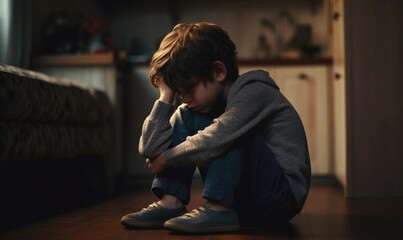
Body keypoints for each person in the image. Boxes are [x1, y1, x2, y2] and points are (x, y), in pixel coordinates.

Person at [120, 22, 311, 234]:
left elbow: (216, 138)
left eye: (188, 88)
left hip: (278, 198)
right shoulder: (194, 106)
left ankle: (218, 208)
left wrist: (166, 159)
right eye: (178, 91)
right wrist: (165, 97)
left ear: (218, 71)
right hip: (244, 200)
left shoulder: (255, 91)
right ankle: (170, 202)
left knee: (225, 132)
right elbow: (149, 149)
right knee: (187, 114)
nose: (185, 97)